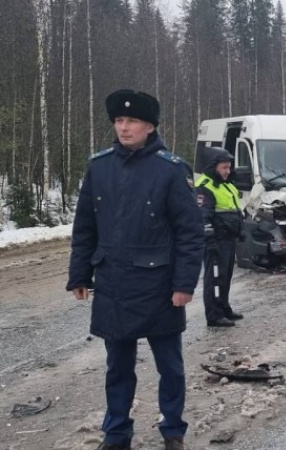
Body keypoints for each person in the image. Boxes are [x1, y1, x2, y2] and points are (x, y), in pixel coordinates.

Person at [66, 89, 204, 450]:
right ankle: (116, 434)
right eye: (119, 121)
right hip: (113, 283)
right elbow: (85, 227)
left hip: (160, 287)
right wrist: (80, 274)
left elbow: (190, 234)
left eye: (132, 122)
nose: (123, 128)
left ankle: (173, 430)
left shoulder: (171, 170)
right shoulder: (99, 167)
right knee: (117, 369)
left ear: (149, 127)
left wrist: (184, 284)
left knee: (170, 367)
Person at [195, 147, 245, 327]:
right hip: (215, 241)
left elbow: (234, 210)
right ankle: (214, 315)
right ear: (213, 166)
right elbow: (203, 216)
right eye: (224, 167)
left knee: (225, 276)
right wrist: (210, 240)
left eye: (229, 167)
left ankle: (224, 308)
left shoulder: (227, 184)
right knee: (215, 278)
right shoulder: (205, 186)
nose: (228, 171)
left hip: (227, 239)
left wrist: (241, 229)